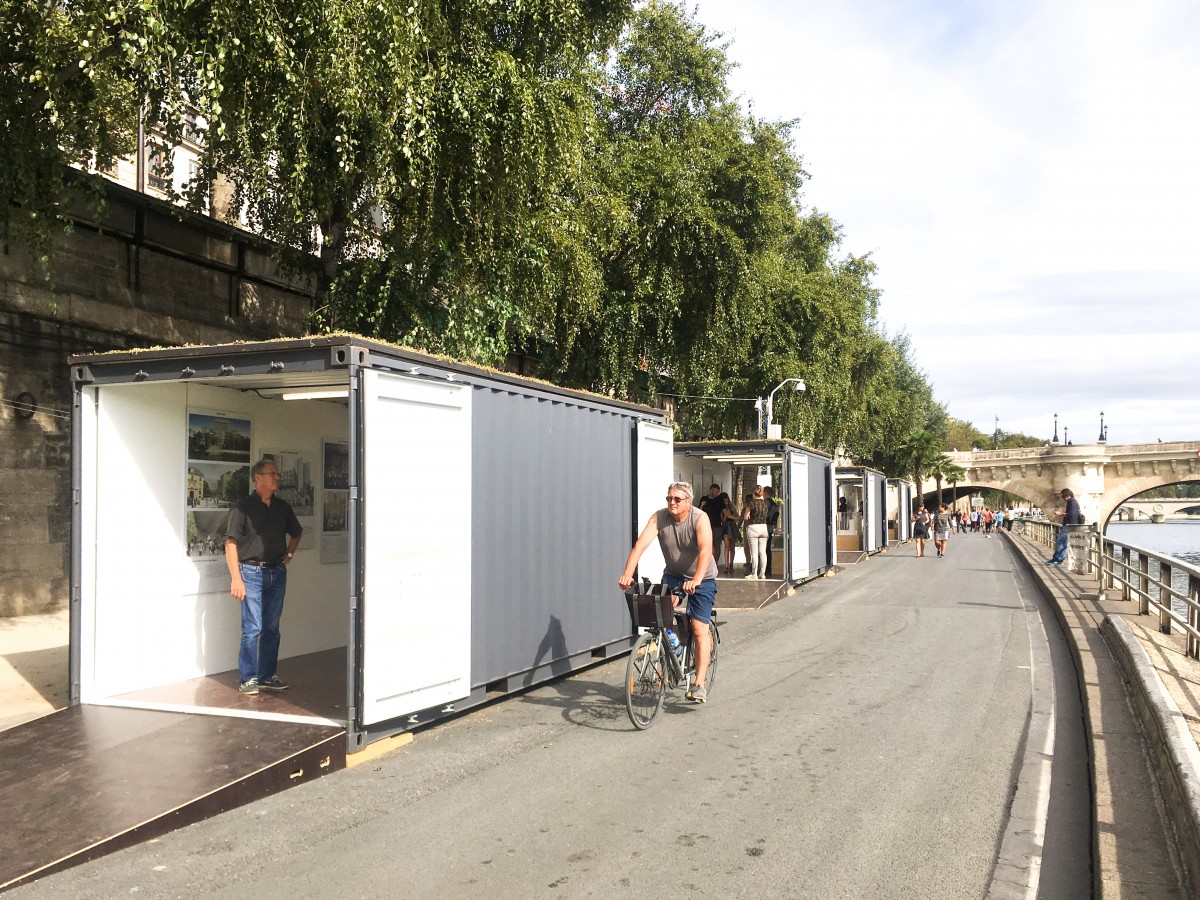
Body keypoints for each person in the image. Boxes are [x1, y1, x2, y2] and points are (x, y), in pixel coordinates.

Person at [619, 482, 718, 703]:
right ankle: (675, 646)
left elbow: (705, 551)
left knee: (699, 626)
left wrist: (697, 580)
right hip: (673, 574)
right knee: (663, 614)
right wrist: (627, 574)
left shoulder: (700, 519)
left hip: (703, 577)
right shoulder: (659, 518)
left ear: (688, 501)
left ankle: (699, 684)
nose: (671, 502)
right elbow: (640, 546)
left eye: (677, 499)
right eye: (669, 498)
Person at [225, 458, 303, 695]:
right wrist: (236, 578)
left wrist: (289, 553)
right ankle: (248, 678)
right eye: (273, 474)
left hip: (276, 573)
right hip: (250, 573)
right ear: (259, 478)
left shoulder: (282, 507)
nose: (278, 478)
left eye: (277, 474)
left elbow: (296, 532)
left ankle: (267, 676)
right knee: (253, 627)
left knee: (271, 627)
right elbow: (230, 543)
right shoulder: (242, 507)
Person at [1047, 488, 1083, 565]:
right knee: (1064, 543)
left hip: (1068, 525)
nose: (1063, 498)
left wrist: (1060, 513)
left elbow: (1071, 515)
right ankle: (1059, 559)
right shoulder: (1073, 502)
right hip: (1070, 525)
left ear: (1066, 495)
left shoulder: (1072, 503)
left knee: (1060, 541)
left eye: (1063, 496)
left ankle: (1057, 559)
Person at [742, 486, 770, 579]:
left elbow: (745, 517)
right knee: (763, 552)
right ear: (761, 493)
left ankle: (754, 574)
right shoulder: (765, 503)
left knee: (754, 552)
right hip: (763, 527)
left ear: (753, 494)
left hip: (753, 527)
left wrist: (748, 516)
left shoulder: (751, 503)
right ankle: (762, 573)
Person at [698, 484, 727, 569]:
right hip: (705, 526)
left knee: (717, 545)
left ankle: (715, 564)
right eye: (716, 491)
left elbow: (725, 511)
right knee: (706, 545)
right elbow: (698, 511)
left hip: (717, 526)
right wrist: (702, 505)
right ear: (711, 490)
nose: (717, 494)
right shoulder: (704, 499)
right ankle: (706, 565)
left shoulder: (719, 500)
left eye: (718, 492)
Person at [763, 486, 781, 578]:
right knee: (767, 549)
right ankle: (768, 569)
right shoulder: (774, 504)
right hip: (770, 529)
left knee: (763, 550)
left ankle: (764, 569)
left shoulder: (766, 503)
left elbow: (764, 514)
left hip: (765, 527)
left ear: (765, 493)